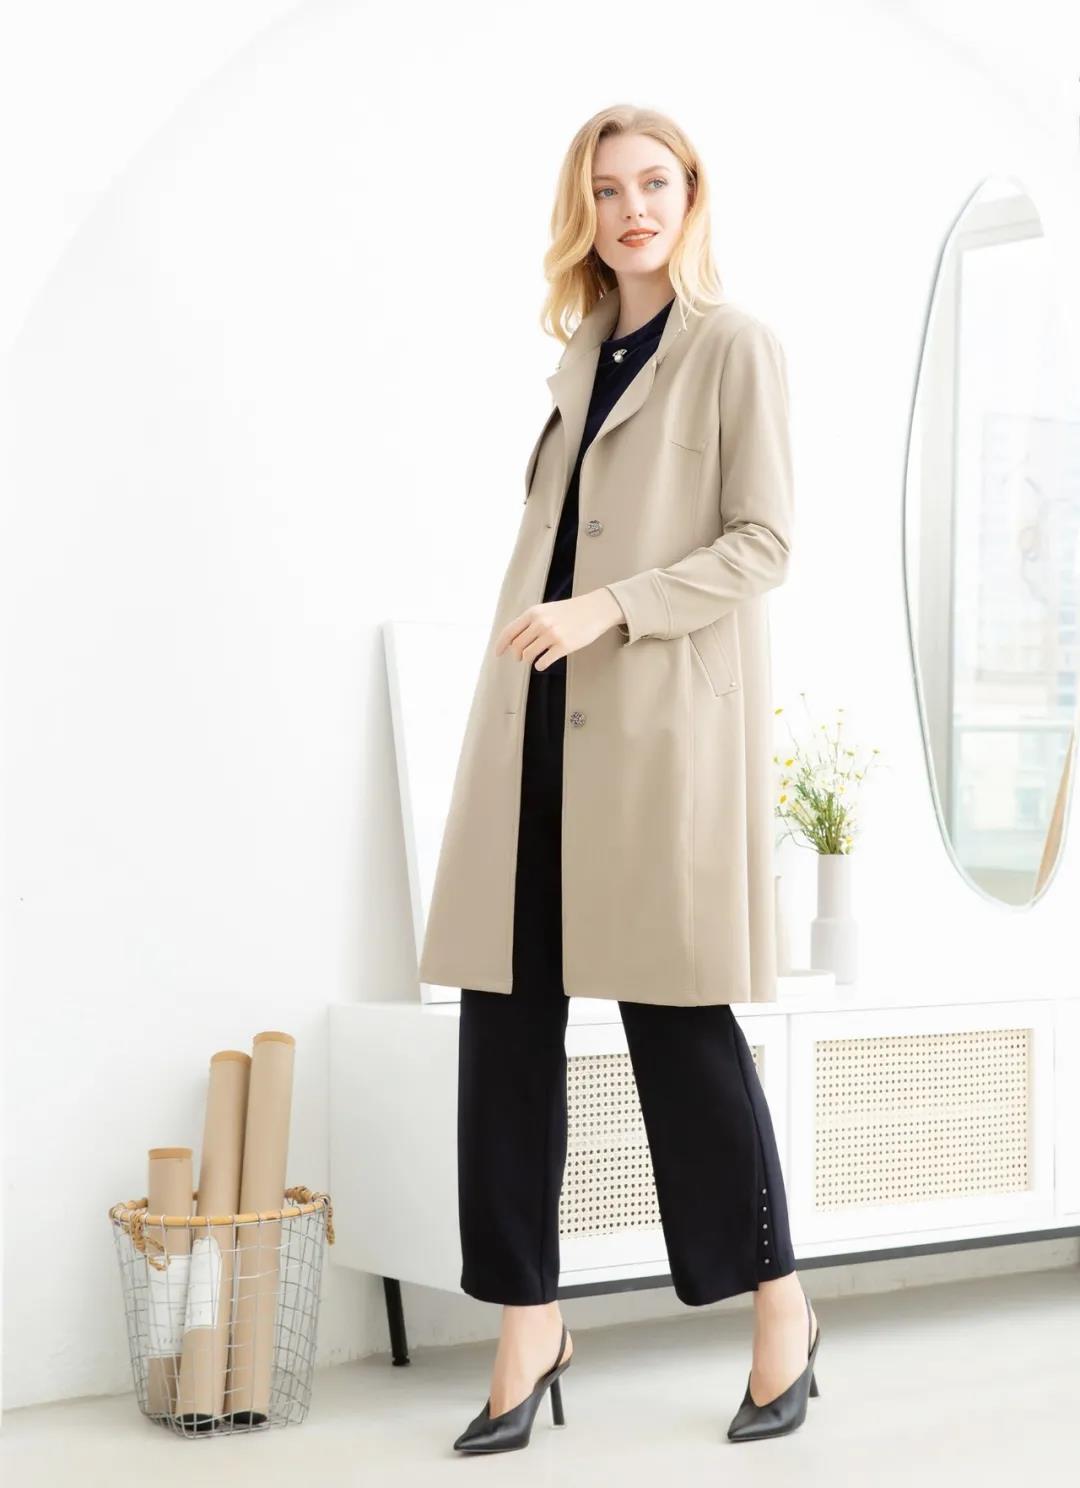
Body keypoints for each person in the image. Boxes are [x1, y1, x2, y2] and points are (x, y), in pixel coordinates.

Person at [427, 104, 819, 1452]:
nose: (632, 208)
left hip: (650, 730)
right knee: (504, 1020)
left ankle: (781, 1309)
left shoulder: (733, 347)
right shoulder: (579, 357)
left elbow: (765, 541)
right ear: (583, 212)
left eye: (654, 183)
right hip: (532, 722)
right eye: (606, 190)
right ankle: (528, 1325)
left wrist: (614, 608)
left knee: (676, 1027)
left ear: (692, 195)